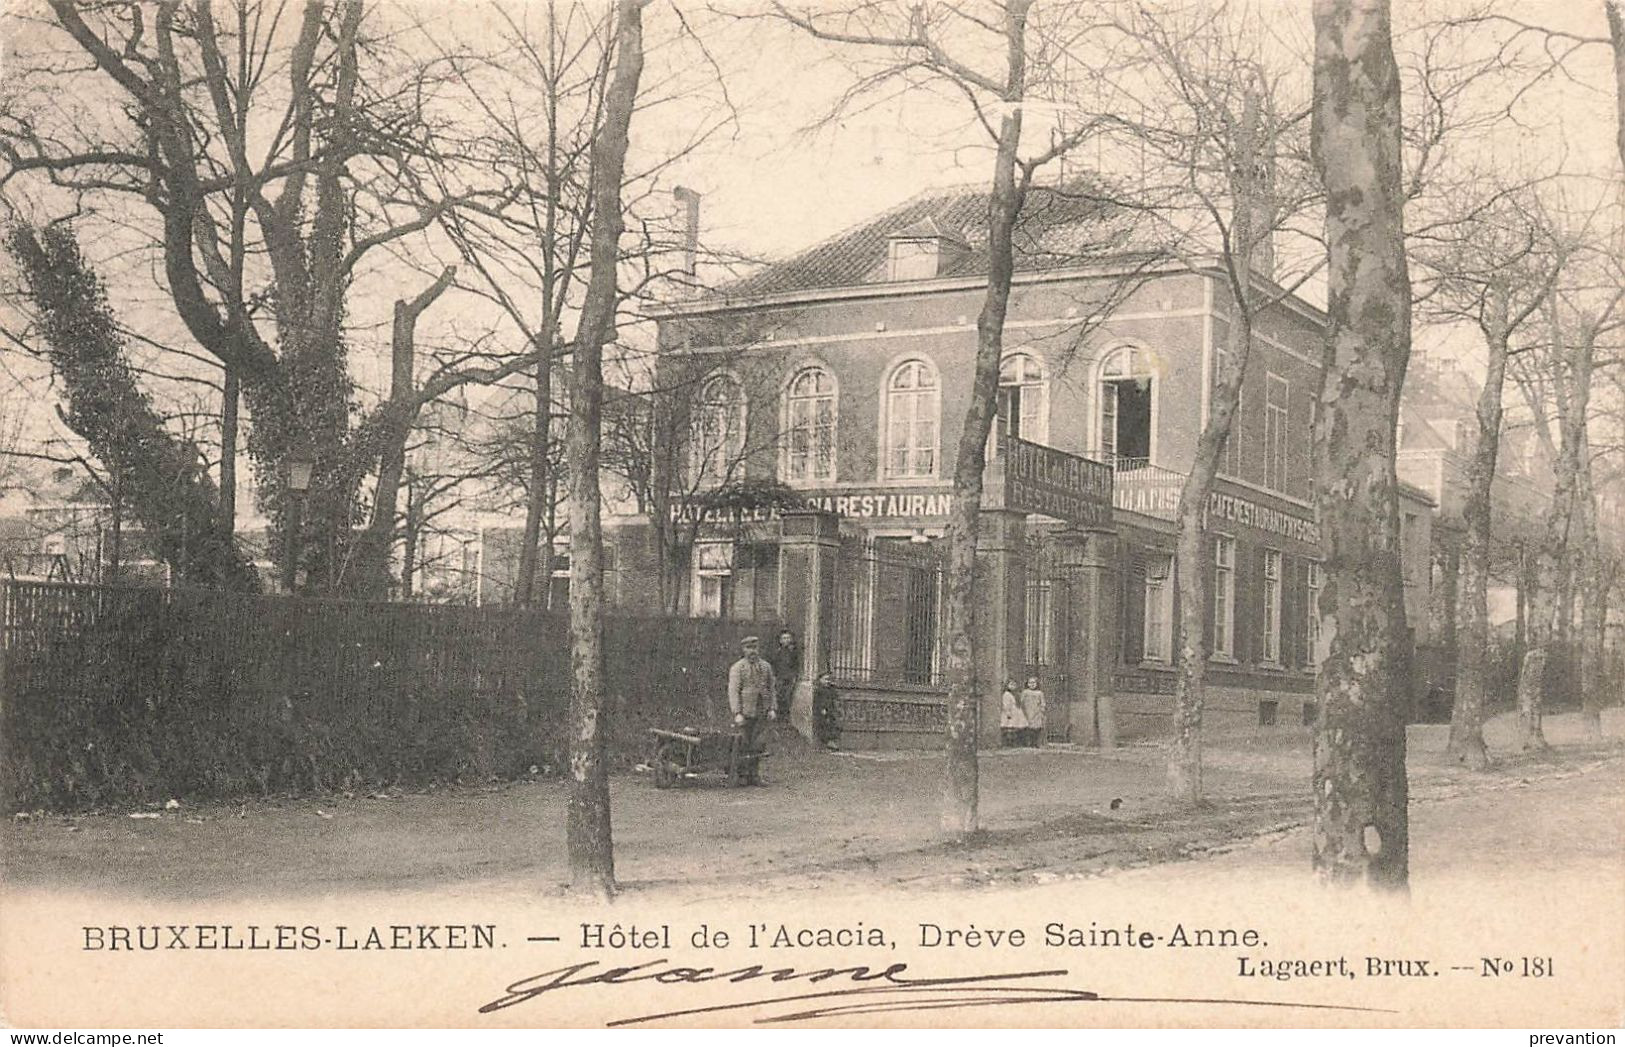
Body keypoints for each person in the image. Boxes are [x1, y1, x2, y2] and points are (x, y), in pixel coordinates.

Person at [727, 636, 776, 781]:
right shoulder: (738, 668)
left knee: (759, 744)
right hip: (745, 711)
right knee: (743, 743)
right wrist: (737, 712)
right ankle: (742, 774)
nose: (752, 651)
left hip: (761, 710)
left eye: (754, 648)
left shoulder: (766, 667)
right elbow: (733, 691)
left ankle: (754, 775)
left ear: (758, 649)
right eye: (749, 648)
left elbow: (771, 688)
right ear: (743, 650)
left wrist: (772, 708)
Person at [767, 628, 801, 722]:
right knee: (779, 697)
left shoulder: (794, 652)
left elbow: (796, 665)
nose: (786, 640)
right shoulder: (777, 652)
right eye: (784, 638)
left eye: (788, 638)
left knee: (788, 698)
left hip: (790, 679)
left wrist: (794, 676)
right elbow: (773, 665)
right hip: (780, 679)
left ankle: (787, 717)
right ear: (780, 641)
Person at [812, 671, 842, 750]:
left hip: (830, 710)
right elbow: (817, 701)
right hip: (821, 711)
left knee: (832, 725)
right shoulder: (818, 690)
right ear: (820, 680)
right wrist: (821, 709)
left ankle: (831, 743)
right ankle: (823, 744)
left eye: (828, 679)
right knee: (823, 726)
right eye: (825, 679)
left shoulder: (830, 689)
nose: (827, 681)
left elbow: (835, 698)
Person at [1021, 675, 1047, 747]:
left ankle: (1036, 743)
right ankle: (1028, 743)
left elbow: (1042, 702)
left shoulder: (1039, 693)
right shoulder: (1025, 692)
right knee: (1028, 727)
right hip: (1027, 711)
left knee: (1037, 728)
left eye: (1033, 683)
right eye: (1030, 683)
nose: (1032, 684)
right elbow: (1021, 701)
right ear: (1027, 684)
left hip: (1037, 712)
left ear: (1036, 684)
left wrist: (1042, 709)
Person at [1000, 679, 1026, 748]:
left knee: (1016, 727)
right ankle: (1008, 744)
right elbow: (1006, 704)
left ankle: (1015, 743)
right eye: (1011, 684)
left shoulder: (1015, 694)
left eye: (1014, 685)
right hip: (1010, 712)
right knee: (1009, 727)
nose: (1012, 686)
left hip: (1016, 712)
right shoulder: (1006, 694)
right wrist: (1008, 712)